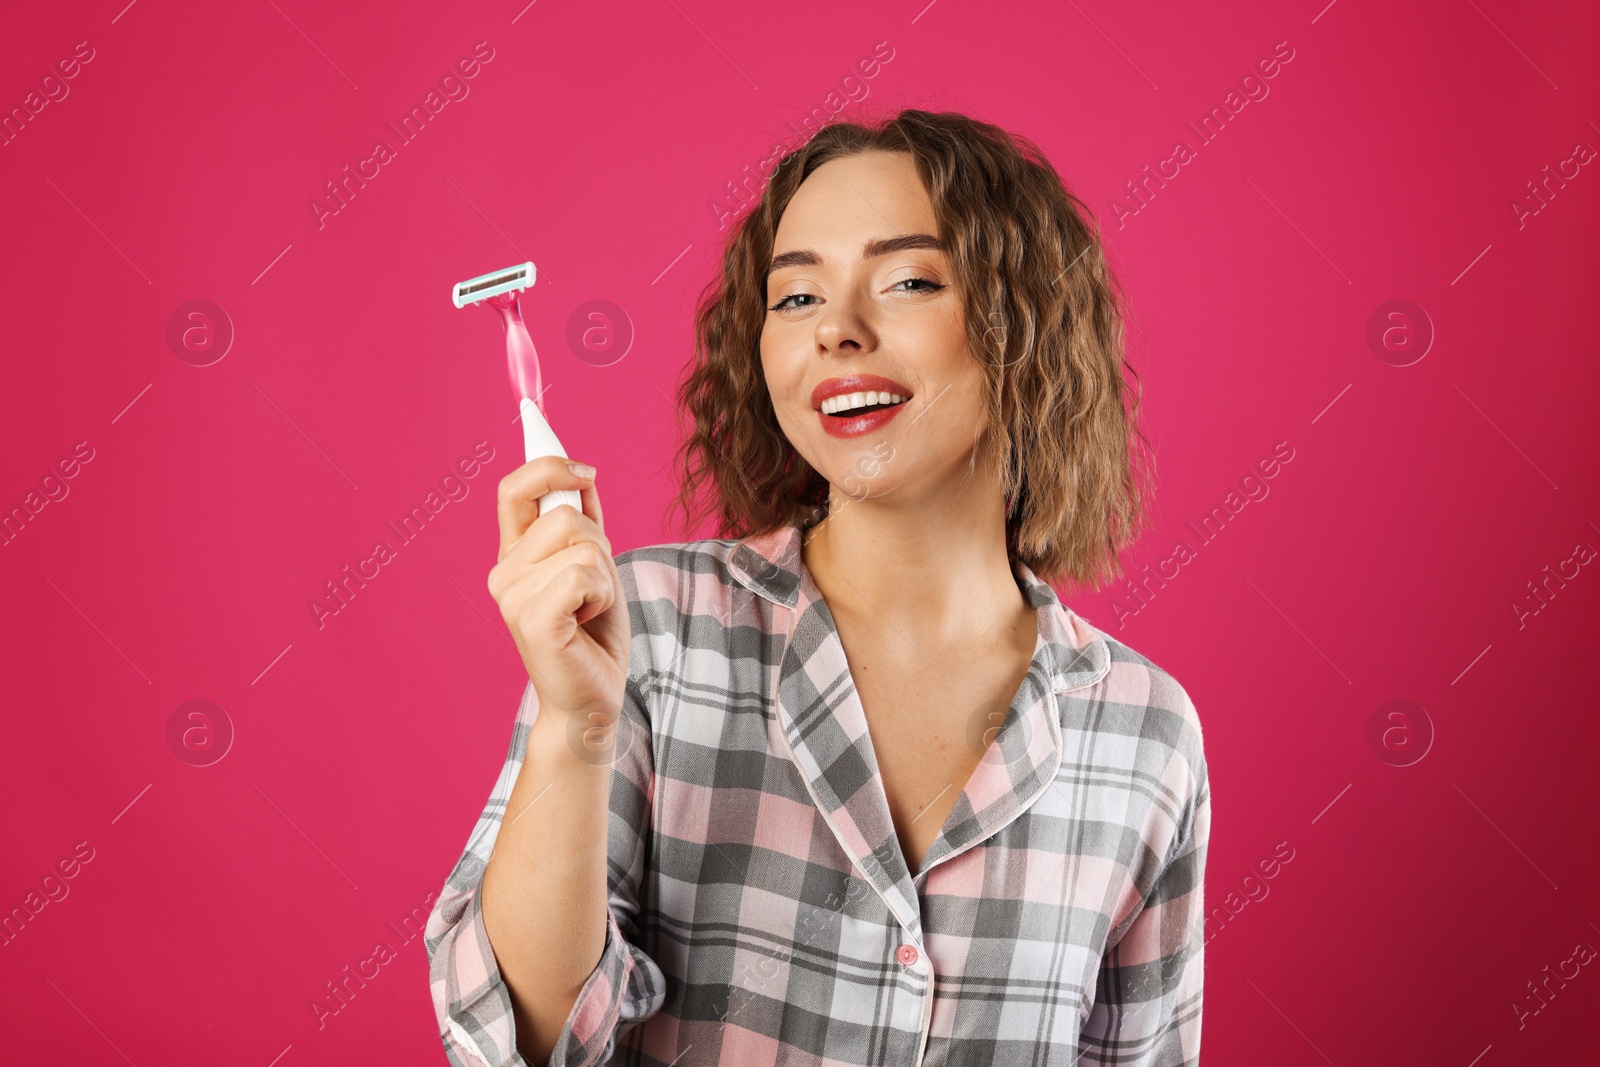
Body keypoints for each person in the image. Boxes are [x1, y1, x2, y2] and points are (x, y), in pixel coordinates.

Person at [425, 108, 1210, 1067]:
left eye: (911, 280)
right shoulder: (652, 634)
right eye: (795, 298)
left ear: (1026, 324)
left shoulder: (1144, 731)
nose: (837, 330)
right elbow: (517, 1040)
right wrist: (575, 733)